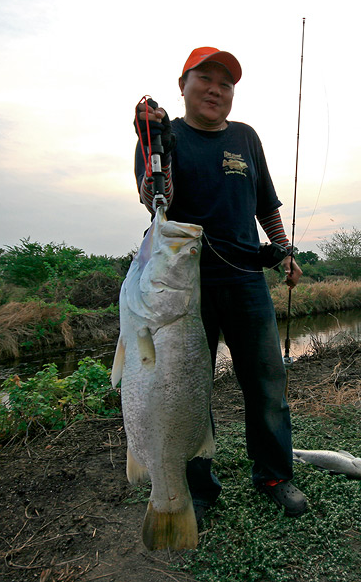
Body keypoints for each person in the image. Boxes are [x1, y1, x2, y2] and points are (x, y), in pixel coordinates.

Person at [132, 47, 308, 523]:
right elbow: (153, 200)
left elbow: (265, 205)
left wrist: (284, 250)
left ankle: (274, 475)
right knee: (189, 390)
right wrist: (154, 146)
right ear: (183, 84)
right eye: (205, 78)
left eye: (225, 83)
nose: (215, 89)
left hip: (248, 280)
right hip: (183, 291)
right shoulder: (163, 137)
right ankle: (198, 488)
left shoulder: (246, 138)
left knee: (268, 385)